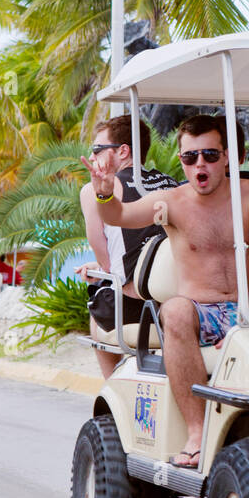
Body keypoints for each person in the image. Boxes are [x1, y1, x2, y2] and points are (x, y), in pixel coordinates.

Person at [83, 114, 249, 468]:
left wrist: (246, 323)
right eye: (190, 158)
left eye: (209, 155)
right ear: (182, 162)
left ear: (225, 156)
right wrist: (103, 194)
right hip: (202, 314)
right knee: (174, 311)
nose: (200, 164)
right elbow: (119, 215)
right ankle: (197, 432)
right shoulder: (171, 200)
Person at [78, 115, 178, 379]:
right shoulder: (171, 184)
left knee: (97, 300)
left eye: (98, 150)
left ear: (123, 150)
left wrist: (98, 267)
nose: (93, 156)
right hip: (175, 298)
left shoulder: (95, 191)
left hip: (136, 303)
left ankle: (110, 383)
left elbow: (108, 265)